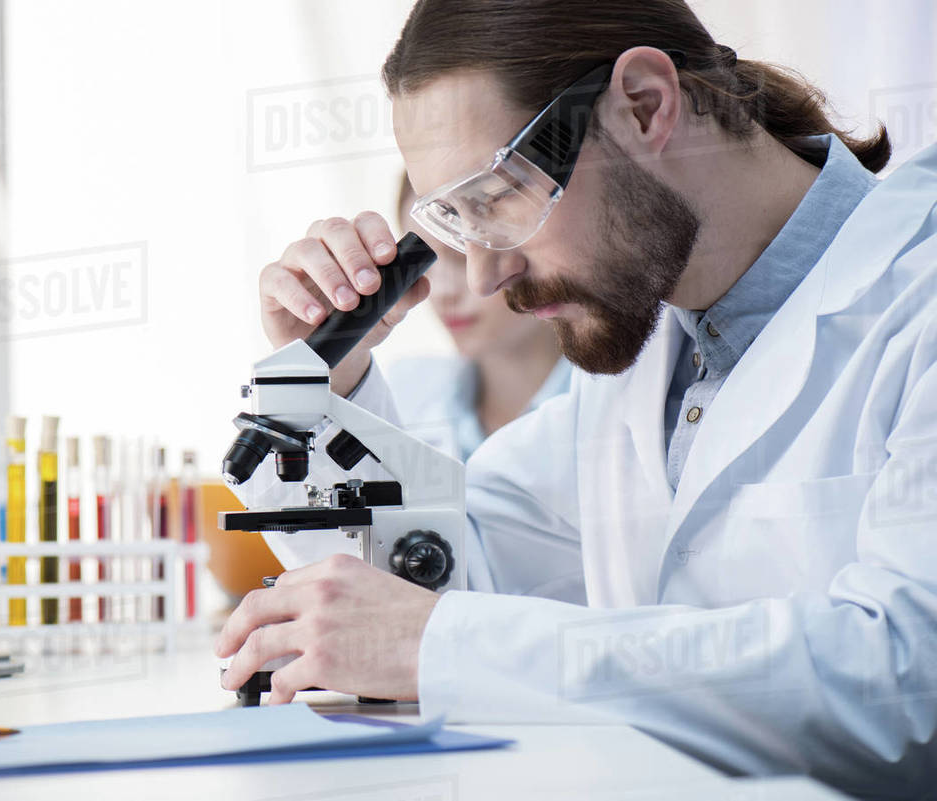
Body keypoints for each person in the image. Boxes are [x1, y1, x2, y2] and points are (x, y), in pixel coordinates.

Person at [217, 0, 937, 796]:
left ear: (645, 106)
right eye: (455, 223)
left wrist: (448, 647)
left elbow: (908, 680)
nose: (486, 276)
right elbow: (438, 582)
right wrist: (324, 375)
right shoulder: (647, 360)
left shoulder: (916, 299)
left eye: (499, 197)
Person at [388, 173, 571, 461]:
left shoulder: (631, 399)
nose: (442, 292)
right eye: (421, 264)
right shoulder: (401, 396)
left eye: (461, 256)